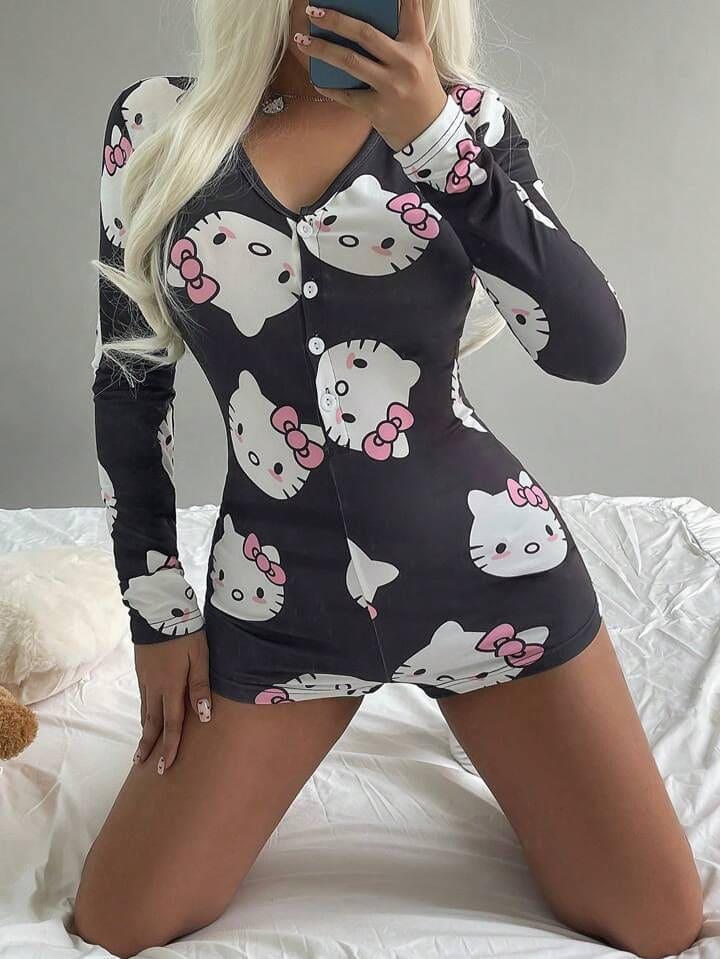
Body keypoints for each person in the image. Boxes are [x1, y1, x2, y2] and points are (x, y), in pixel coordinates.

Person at [73, 1, 703, 955]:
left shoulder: (467, 122)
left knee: (657, 921)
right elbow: (130, 380)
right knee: (121, 920)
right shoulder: (157, 123)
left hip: (491, 579)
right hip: (277, 606)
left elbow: (589, 349)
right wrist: (155, 610)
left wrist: (438, 142)